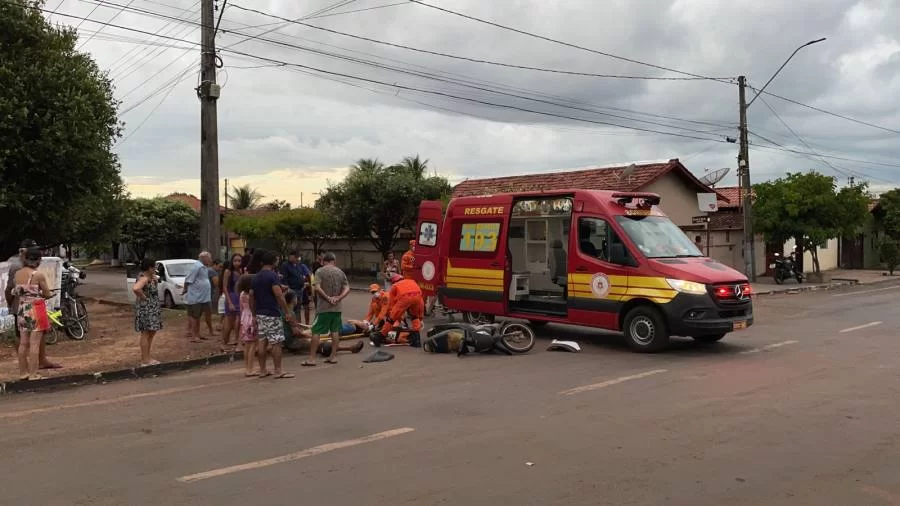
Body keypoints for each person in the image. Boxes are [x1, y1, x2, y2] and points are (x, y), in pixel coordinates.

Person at [4, 239, 60, 371]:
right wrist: (10, 304)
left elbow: (12, 290)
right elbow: (9, 289)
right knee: (32, 340)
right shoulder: (20, 267)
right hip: (31, 308)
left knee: (26, 339)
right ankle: (34, 368)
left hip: (22, 307)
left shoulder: (20, 268)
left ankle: (28, 368)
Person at [250, 249, 295, 378]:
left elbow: (251, 297)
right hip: (272, 313)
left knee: (262, 341)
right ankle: (278, 370)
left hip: (260, 313)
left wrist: (253, 314)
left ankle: (263, 370)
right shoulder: (272, 276)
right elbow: (279, 295)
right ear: (274, 261)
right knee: (276, 342)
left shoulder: (256, 276)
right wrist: (286, 311)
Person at [13, 248, 53, 380]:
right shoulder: (38, 275)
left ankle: (23, 372)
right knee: (35, 343)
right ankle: (34, 374)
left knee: (23, 343)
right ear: (39, 260)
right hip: (35, 310)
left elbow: (17, 292)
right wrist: (44, 294)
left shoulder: (17, 274)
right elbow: (47, 294)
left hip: (22, 309)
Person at [308, 252, 351, 366]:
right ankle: (333, 356)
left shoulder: (320, 271)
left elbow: (317, 288)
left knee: (316, 331)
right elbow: (347, 287)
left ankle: (311, 359)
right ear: (334, 261)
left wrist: (327, 298)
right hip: (337, 307)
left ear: (323, 261)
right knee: (335, 331)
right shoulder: (340, 272)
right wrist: (338, 298)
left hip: (324, 307)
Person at [132, 257, 163, 367]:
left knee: (151, 332)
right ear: (149, 268)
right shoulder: (144, 278)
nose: (155, 269)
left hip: (152, 308)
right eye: (153, 267)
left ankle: (148, 357)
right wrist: (144, 297)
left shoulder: (151, 278)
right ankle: (145, 360)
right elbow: (136, 288)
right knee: (146, 333)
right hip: (146, 309)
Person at [379, 273, 425, 340]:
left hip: (405, 298)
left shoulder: (395, 286)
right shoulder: (412, 281)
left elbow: (391, 305)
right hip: (417, 296)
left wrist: (391, 316)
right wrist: (420, 318)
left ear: (394, 281)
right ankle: (416, 340)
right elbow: (421, 303)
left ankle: (381, 336)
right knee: (414, 317)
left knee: (391, 318)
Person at [183, 251, 212, 343]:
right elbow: (188, 280)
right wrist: (185, 289)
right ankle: (194, 336)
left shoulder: (204, 267)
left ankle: (198, 334)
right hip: (196, 297)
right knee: (195, 316)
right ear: (204, 258)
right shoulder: (197, 267)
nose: (210, 260)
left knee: (198, 316)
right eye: (209, 258)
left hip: (203, 297)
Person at [280, 251, 312, 325]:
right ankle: (291, 325)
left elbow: (303, 276)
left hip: (300, 290)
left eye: (296, 257)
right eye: (293, 257)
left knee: (298, 309)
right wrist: (287, 290)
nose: (295, 259)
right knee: (290, 309)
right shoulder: (285, 265)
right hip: (291, 290)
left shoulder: (298, 265)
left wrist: (304, 284)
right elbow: (284, 279)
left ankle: (298, 325)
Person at [236, 273, 258, 377]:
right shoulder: (251, 295)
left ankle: (247, 368)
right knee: (253, 345)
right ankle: (250, 369)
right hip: (251, 318)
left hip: (244, 318)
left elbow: (241, 308)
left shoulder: (241, 294)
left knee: (247, 345)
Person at [221, 254, 243, 350]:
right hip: (231, 297)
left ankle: (236, 340)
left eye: (239, 261)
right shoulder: (228, 271)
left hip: (240, 298)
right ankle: (224, 343)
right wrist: (229, 302)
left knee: (238, 321)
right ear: (232, 261)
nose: (237, 263)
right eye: (235, 260)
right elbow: (224, 287)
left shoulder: (241, 271)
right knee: (229, 322)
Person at [206, 259, 222, 338]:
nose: (220, 268)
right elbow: (217, 283)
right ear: (215, 264)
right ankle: (211, 331)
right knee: (208, 312)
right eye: (219, 266)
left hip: (206, 293)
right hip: (207, 294)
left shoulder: (209, 270)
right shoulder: (212, 271)